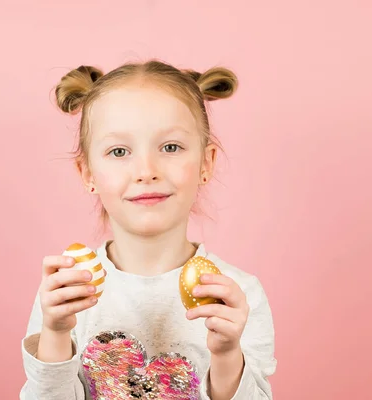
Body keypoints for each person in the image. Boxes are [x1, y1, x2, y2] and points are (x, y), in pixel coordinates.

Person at [20, 60, 276, 399]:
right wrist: (54, 333)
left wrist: (227, 354)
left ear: (206, 163)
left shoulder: (237, 296)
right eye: (119, 151)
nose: (146, 170)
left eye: (170, 147)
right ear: (87, 173)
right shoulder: (68, 296)